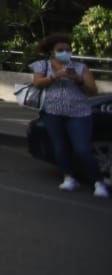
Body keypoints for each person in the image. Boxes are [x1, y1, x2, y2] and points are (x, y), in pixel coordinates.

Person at [29, 35, 109, 197]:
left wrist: (78, 80)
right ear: (52, 52)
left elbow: (93, 91)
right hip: (52, 112)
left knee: (83, 148)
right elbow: (37, 83)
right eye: (60, 50)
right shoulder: (42, 66)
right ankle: (68, 177)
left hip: (79, 113)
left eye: (67, 50)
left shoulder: (80, 67)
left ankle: (98, 182)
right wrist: (55, 76)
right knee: (60, 147)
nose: (65, 53)